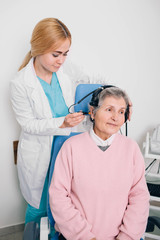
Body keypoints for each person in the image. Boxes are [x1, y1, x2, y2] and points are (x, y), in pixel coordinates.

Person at [10, 18, 95, 226]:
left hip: (67, 149)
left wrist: (118, 96)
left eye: (65, 54)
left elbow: (93, 81)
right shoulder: (20, 83)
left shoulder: (66, 70)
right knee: (38, 207)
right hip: (40, 155)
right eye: (56, 54)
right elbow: (28, 124)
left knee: (67, 204)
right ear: (38, 48)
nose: (61, 60)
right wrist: (61, 123)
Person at [49, 86, 150, 240]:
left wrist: (127, 236)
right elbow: (58, 196)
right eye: (109, 109)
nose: (115, 117)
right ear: (93, 112)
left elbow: (139, 197)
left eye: (121, 112)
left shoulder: (131, 149)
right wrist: (85, 237)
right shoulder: (71, 147)